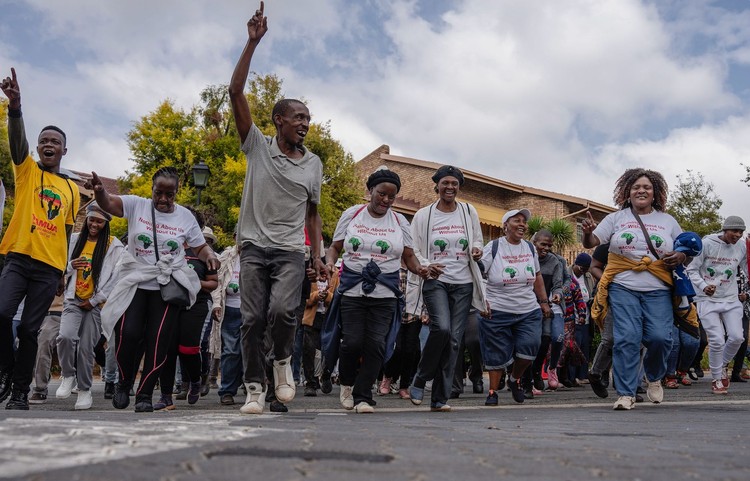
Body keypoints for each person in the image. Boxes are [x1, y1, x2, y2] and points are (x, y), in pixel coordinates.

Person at [229, 2, 326, 415]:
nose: (305, 123)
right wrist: (252, 44)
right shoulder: (256, 147)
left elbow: (313, 214)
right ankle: (255, 387)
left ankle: (283, 362)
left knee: (284, 311)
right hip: (252, 247)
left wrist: (318, 256)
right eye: (298, 116)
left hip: (290, 250)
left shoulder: (313, 163)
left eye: (308, 118)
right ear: (278, 120)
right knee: (251, 320)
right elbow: (235, 92)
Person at [91, 166, 219, 412]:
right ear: (152, 189)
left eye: (169, 195)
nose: (163, 199)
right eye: (158, 193)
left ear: (176, 193)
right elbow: (109, 203)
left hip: (166, 285)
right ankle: (124, 381)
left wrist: (210, 255)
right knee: (128, 334)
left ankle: (145, 395)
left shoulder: (185, 217)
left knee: (158, 341)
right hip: (136, 281)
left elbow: (200, 247)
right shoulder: (136, 205)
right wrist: (99, 192)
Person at [0, 68, 81, 410]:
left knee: (31, 331)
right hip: (18, 257)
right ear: (38, 147)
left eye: (55, 142)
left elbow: (64, 231)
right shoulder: (27, 170)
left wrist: (62, 271)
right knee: (3, 314)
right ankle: (6, 367)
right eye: (44, 141)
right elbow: (16, 141)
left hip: (48, 269)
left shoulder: (72, 190)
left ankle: (21, 391)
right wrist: (15, 107)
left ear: (64, 150)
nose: (49, 145)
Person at [324, 167, 429, 413]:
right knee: (351, 343)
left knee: (376, 345)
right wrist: (329, 262)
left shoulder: (400, 221)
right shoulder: (352, 215)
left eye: (391, 197)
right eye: (381, 194)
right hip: (352, 290)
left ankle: (362, 396)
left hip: (385, 293)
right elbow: (335, 247)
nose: (386, 200)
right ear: (370, 190)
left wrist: (422, 270)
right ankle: (347, 384)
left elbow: (410, 257)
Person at [582, 168, 687, 410]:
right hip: (623, 287)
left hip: (659, 288)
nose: (641, 190)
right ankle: (626, 393)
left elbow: (685, 252)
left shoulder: (667, 221)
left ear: (655, 193)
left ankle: (654, 376)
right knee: (626, 339)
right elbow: (592, 243)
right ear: (627, 192)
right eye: (636, 187)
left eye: (647, 187)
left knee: (661, 338)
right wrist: (587, 234)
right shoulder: (615, 218)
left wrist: (681, 255)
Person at [407, 165, 486, 412]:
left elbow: (477, 239)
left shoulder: (468, 211)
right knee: (441, 329)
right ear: (437, 186)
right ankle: (420, 378)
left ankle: (440, 398)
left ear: (459, 187)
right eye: (445, 183)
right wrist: (428, 265)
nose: (450, 187)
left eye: (454, 184)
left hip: (463, 283)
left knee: (454, 341)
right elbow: (414, 249)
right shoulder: (423, 215)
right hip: (435, 281)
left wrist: (476, 249)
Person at [478, 209, 552, 406]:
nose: (522, 224)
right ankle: (492, 392)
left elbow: (537, 275)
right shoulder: (493, 247)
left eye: (524, 222)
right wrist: (481, 301)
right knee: (496, 351)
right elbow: (478, 274)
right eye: (516, 221)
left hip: (528, 308)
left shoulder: (529, 247)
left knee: (531, 345)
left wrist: (543, 301)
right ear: (505, 226)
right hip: (497, 308)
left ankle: (514, 379)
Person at [55, 202, 124, 410]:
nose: (95, 224)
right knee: (65, 337)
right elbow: (60, 268)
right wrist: (70, 266)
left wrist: (94, 300)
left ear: (106, 223)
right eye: (92, 219)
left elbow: (116, 278)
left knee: (86, 348)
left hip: (95, 305)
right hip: (74, 299)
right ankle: (68, 375)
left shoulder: (113, 246)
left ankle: (84, 391)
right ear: (86, 219)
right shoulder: (75, 240)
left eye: (99, 221)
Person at [154, 209, 218, 411]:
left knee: (188, 348)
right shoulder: (169, 246)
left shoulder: (204, 252)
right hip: (171, 302)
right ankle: (166, 396)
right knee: (168, 349)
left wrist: (192, 282)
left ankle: (195, 380)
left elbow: (214, 283)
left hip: (197, 304)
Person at [686, 216, 748, 394]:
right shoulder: (707, 244)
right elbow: (691, 269)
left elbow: (745, 268)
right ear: (725, 230)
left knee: (737, 337)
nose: (737, 235)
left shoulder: (742, 246)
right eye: (734, 231)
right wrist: (704, 287)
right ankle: (716, 378)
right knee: (717, 340)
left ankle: (722, 367)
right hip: (707, 299)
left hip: (730, 298)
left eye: (740, 232)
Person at [528, 230, 564, 392]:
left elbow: (558, 284)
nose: (546, 248)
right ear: (534, 242)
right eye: (543, 244)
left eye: (549, 245)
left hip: (546, 306)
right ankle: (523, 376)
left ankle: (538, 369)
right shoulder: (526, 257)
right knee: (529, 341)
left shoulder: (554, 261)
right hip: (527, 305)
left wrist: (557, 294)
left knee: (548, 337)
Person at [28, 295, 64, 404]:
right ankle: (18, 386)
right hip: (35, 313)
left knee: (44, 342)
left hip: (58, 313)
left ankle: (40, 388)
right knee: (20, 343)